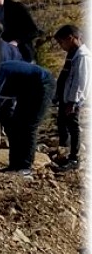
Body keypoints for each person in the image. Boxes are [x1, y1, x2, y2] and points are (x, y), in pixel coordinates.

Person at [0, 61, 55, 176]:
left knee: (29, 125)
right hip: (26, 89)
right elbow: (0, 105)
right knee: (15, 126)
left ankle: (25, 167)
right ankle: (14, 165)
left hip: (43, 83)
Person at [53, 24, 89, 171]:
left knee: (73, 127)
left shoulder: (83, 57)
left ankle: (74, 158)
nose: (61, 46)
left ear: (71, 38)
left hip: (72, 100)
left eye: (61, 42)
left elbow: (80, 81)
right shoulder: (72, 54)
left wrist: (73, 102)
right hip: (65, 97)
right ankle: (64, 152)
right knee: (62, 123)